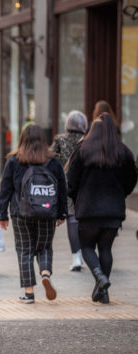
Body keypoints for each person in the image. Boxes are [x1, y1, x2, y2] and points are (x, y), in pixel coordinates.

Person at [67, 113, 137, 304]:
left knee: (87, 246)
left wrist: (77, 198)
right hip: (113, 211)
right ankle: (103, 291)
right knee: (106, 248)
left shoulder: (82, 150)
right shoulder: (123, 151)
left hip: (88, 209)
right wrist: (120, 195)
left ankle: (100, 278)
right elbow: (131, 179)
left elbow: (71, 181)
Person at [0, 124, 67, 304]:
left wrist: (2, 215)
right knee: (44, 246)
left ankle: (29, 293)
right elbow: (62, 189)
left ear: (23, 139)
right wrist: (62, 213)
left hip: (21, 212)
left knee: (25, 250)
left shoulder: (14, 160)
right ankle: (45, 273)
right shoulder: (53, 160)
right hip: (47, 211)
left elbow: (5, 189)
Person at [50, 110, 88, 271]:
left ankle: (76, 257)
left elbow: (50, 155)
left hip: (66, 183)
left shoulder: (60, 139)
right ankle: (87, 253)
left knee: (71, 219)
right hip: (85, 183)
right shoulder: (86, 140)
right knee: (84, 219)